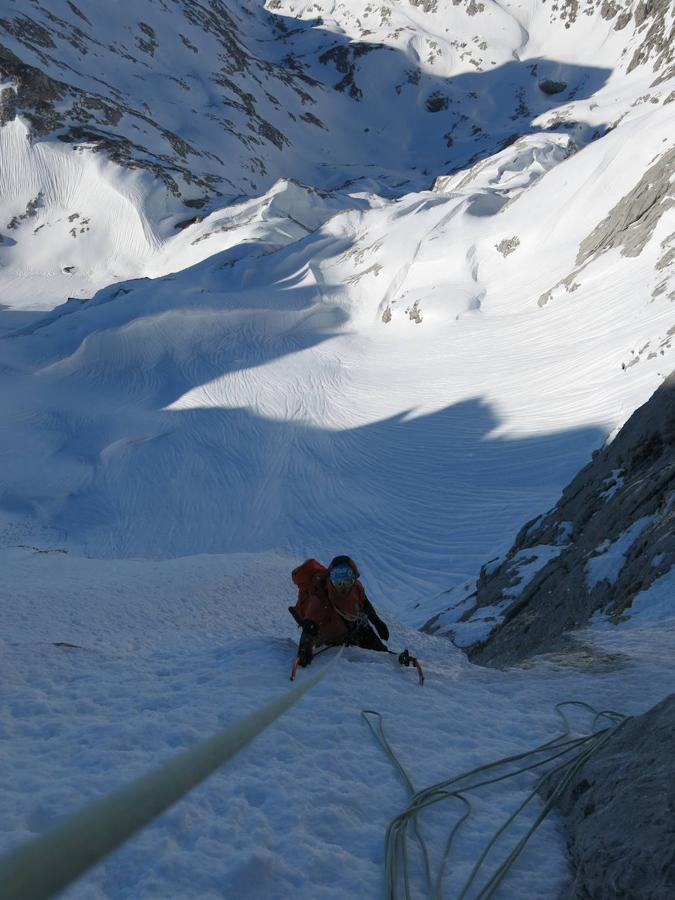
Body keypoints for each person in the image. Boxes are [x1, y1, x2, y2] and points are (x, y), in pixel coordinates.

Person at [289, 555, 390, 667]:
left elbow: (364, 604)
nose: (342, 587)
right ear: (330, 578)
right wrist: (304, 650)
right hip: (331, 637)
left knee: (376, 646)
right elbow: (309, 626)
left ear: (354, 579)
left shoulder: (356, 588)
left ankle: (385, 655)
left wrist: (378, 622)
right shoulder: (320, 598)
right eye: (338, 582)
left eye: (347, 582)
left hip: (353, 628)